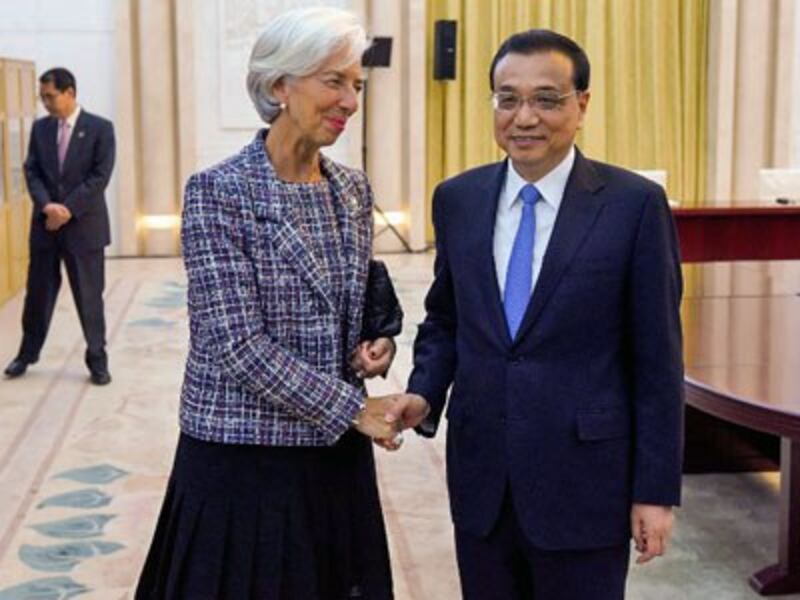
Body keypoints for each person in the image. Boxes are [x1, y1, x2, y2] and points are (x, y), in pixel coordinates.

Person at [136, 7, 415, 599]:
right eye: (333, 81)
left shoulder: (351, 189)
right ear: (280, 85)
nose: (350, 101)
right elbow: (235, 345)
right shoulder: (218, 191)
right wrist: (351, 408)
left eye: (356, 85)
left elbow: (352, 301)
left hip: (333, 458)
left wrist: (374, 344)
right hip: (244, 459)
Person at [395, 29, 684, 599]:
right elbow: (447, 318)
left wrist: (655, 491)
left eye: (546, 99)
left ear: (582, 105)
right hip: (483, 482)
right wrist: (424, 391)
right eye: (508, 98)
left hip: (585, 485)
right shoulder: (458, 199)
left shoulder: (633, 206)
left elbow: (657, 359)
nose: (524, 117)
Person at [5, 67, 115, 384]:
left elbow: (100, 176)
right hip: (45, 228)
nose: (46, 104)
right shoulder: (40, 129)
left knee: (89, 297)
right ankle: (26, 354)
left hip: (84, 229)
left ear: (70, 93)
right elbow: (31, 171)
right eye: (42, 98)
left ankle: (97, 360)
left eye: (50, 97)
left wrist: (67, 208)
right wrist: (47, 206)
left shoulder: (100, 129)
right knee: (37, 295)